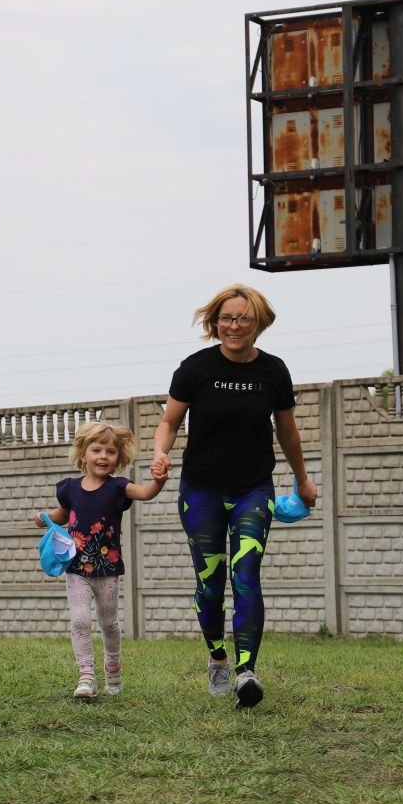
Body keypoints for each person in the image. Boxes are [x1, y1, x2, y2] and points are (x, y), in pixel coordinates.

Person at [150, 283, 318, 708]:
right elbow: (169, 421)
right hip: (201, 491)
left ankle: (247, 672)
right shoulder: (194, 368)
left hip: (253, 490)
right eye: (226, 318)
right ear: (215, 322)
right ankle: (218, 658)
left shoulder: (274, 371)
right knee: (210, 584)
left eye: (243, 318)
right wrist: (159, 454)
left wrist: (302, 479)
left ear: (258, 321)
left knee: (247, 577)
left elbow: (287, 431)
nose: (234, 325)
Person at [35, 421, 167, 701]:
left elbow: (145, 493)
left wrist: (158, 481)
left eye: (110, 451)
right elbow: (63, 515)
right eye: (97, 449)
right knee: (80, 620)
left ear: (118, 458)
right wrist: (43, 518)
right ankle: (86, 676)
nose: (104, 456)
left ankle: (113, 668)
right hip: (76, 568)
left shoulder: (119, 487)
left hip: (107, 570)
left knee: (108, 623)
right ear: (83, 454)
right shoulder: (69, 488)